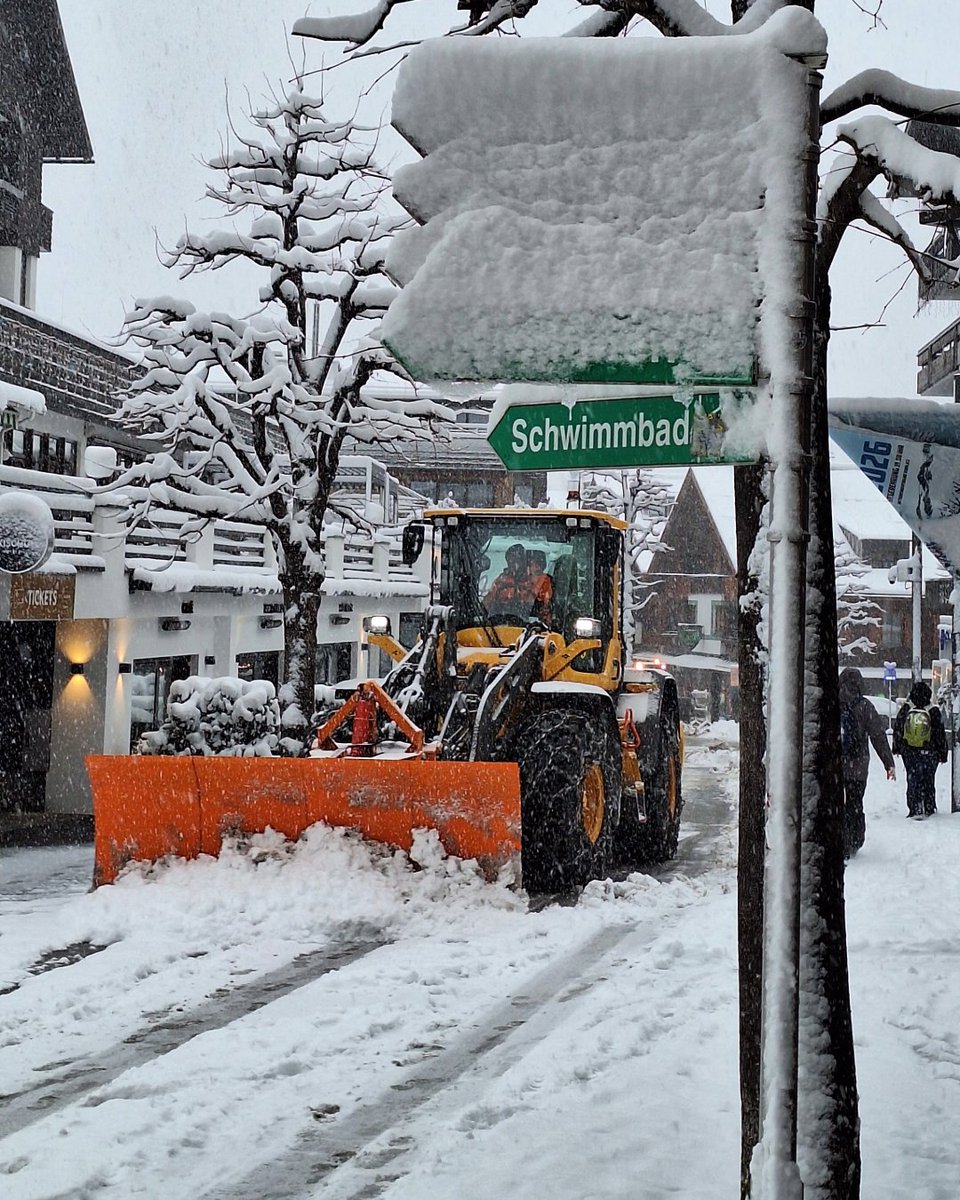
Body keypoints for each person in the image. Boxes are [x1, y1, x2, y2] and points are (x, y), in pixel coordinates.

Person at [838, 666, 896, 857]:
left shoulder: (831, 703)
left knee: (835, 805)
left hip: (835, 767)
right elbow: (878, 736)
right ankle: (853, 840)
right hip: (858, 767)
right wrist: (888, 763)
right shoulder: (865, 707)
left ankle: (838, 840)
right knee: (855, 803)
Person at [892, 680, 948, 818]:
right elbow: (940, 734)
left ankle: (914, 807)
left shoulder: (906, 709)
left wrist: (897, 747)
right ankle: (929, 806)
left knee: (912, 779)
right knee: (928, 779)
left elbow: (898, 728)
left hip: (909, 751)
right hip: (930, 751)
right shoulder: (933, 711)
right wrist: (942, 753)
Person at [484, 543, 530, 614]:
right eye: (511, 561)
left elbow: (542, 606)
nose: (514, 564)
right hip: (502, 619)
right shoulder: (501, 581)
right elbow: (487, 603)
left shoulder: (533, 581)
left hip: (528, 620)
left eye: (517, 560)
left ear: (524, 561)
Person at [525, 549, 554, 626]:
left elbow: (546, 602)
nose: (533, 566)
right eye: (529, 564)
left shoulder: (546, 581)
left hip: (538, 622)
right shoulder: (521, 580)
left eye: (536, 563)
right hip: (520, 620)